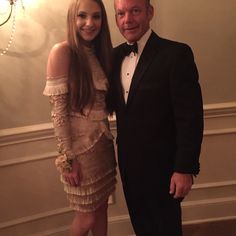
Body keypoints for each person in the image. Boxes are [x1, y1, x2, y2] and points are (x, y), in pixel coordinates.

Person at [109, 0, 204, 235]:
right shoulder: (112, 56)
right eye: (120, 13)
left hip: (164, 167)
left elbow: (190, 117)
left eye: (135, 11)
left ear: (150, 12)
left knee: (166, 228)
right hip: (129, 165)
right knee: (142, 227)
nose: (127, 19)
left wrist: (185, 168)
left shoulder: (176, 54)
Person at [43, 0, 117, 235]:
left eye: (96, 17)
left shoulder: (99, 54)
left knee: (102, 209)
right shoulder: (62, 52)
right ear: (72, 19)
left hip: (103, 147)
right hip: (80, 154)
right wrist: (67, 160)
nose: (89, 23)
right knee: (86, 219)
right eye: (82, 16)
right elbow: (59, 113)